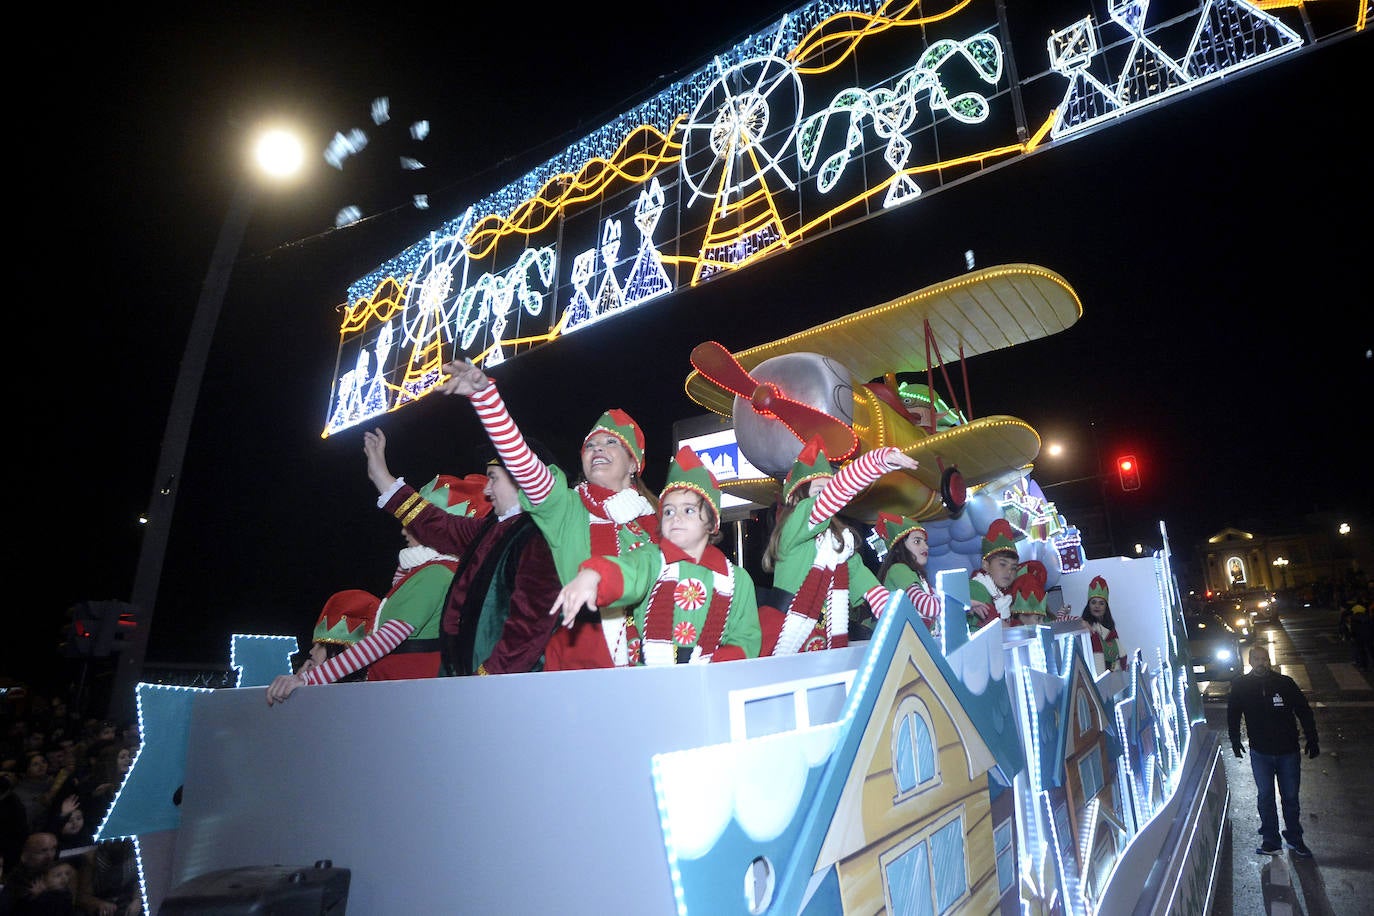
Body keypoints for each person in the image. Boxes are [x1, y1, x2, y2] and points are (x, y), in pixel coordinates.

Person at [440, 358, 660, 668]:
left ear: (634, 462)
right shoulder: (567, 507)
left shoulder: (659, 520)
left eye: (611, 443)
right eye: (590, 445)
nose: (598, 449)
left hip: (652, 661)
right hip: (579, 663)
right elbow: (524, 464)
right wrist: (486, 399)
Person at [365, 429, 565, 675]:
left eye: (493, 478)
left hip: (503, 686)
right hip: (468, 676)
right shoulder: (493, 529)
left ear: (522, 479)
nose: (487, 490)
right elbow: (437, 525)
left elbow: (531, 624)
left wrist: (487, 675)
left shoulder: (538, 536)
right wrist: (380, 475)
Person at [551, 446, 760, 664]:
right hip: (648, 680)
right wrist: (594, 575)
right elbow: (628, 571)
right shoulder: (652, 558)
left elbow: (746, 640)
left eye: (688, 510)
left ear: (712, 522)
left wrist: (710, 667)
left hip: (707, 681)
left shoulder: (737, 579)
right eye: (668, 511)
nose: (675, 518)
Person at [759, 437, 920, 655]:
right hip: (785, 636)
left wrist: (906, 625)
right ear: (797, 498)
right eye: (819, 492)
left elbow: (874, 593)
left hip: (820, 640)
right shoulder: (795, 522)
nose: (828, 498)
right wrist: (877, 461)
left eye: (829, 490)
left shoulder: (840, 545)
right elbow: (836, 493)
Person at [1227, 645, 1318, 858]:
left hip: (1288, 752)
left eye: (1264, 659)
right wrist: (1234, 739)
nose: (1261, 663)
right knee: (1266, 797)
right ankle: (1271, 840)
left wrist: (1312, 737)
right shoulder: (1241, 685)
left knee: (1290, 797)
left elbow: (1303, 710)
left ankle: (1295, 839)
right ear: (1250, 662)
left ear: (1269, 660)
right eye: (1256, 659)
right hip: (1261, 753)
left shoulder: (1284, 683)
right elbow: (1233, 713)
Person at [874, 512, 941, 632]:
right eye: (917, 541)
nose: (926, 547)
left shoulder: (917, 576)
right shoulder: (899, 569)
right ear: (900, 547)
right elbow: (928, 607)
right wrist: (962, 603)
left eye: (925, 542)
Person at [966, 518, 1022, 632]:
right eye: (1002, 564)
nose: (1009, 571)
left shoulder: (1003, 596)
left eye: (1013, 567)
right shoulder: (976, 587)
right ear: (985, 565)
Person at [1061, 575, 1125, 672]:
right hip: (1093, 677)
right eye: (1093, 602)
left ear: (1106, 607)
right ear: (1089, 605)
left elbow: (1121, 655)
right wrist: (1080, 622)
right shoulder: (1083, 624)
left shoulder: (1111, 630)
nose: (1097, 606)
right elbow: (1059, 622)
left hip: (1114, 676)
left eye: (1101, 603)